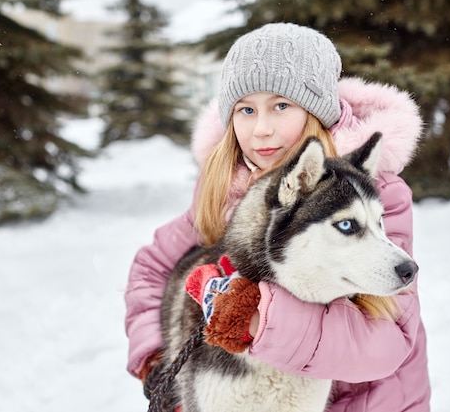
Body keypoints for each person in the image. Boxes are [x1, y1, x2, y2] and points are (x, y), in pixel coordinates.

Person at [125, 22, 431, 411]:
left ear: (316, 111)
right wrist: (159, 359)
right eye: (246, 110)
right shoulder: (226, 186)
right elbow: (152, 268)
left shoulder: (371, 191)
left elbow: (386, 344)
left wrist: (259, 317)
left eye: (281, 105)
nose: (262, 130)